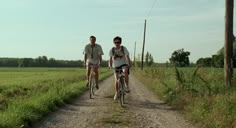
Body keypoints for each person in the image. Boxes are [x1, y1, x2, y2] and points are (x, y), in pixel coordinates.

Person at [109, 36, 131, 100]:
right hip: (116, 66)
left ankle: (126, 86)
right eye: (115, 42)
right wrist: (110, 66)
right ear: (114, 43)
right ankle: (117, 92)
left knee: (125, 71)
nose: (117, 44)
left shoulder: (123, 48)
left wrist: (129, 64)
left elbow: (127, 57)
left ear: (120, 42)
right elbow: (110, 59)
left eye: (118, 42)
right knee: (116, 79)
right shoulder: (112, 50)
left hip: (123, 64)